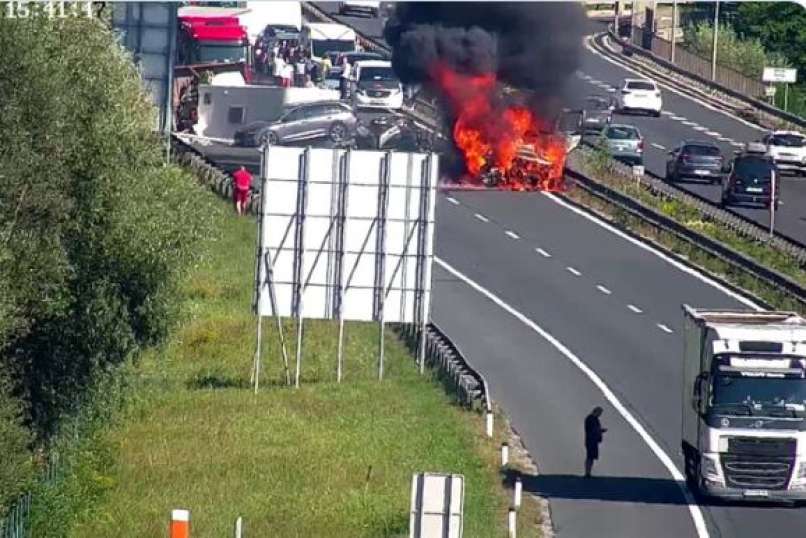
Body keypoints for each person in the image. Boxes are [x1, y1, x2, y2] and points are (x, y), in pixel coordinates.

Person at [584, 407, 607, 478]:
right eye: (599, 413)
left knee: (591, 457)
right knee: (590, 457)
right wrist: (600, 430)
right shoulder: (590, 418)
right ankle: (587, 473)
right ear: (596, 411)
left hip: (593, 441)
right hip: (591, 440)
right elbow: (593, 429)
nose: (600, 414)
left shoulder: (594, 419)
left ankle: (588, 472)